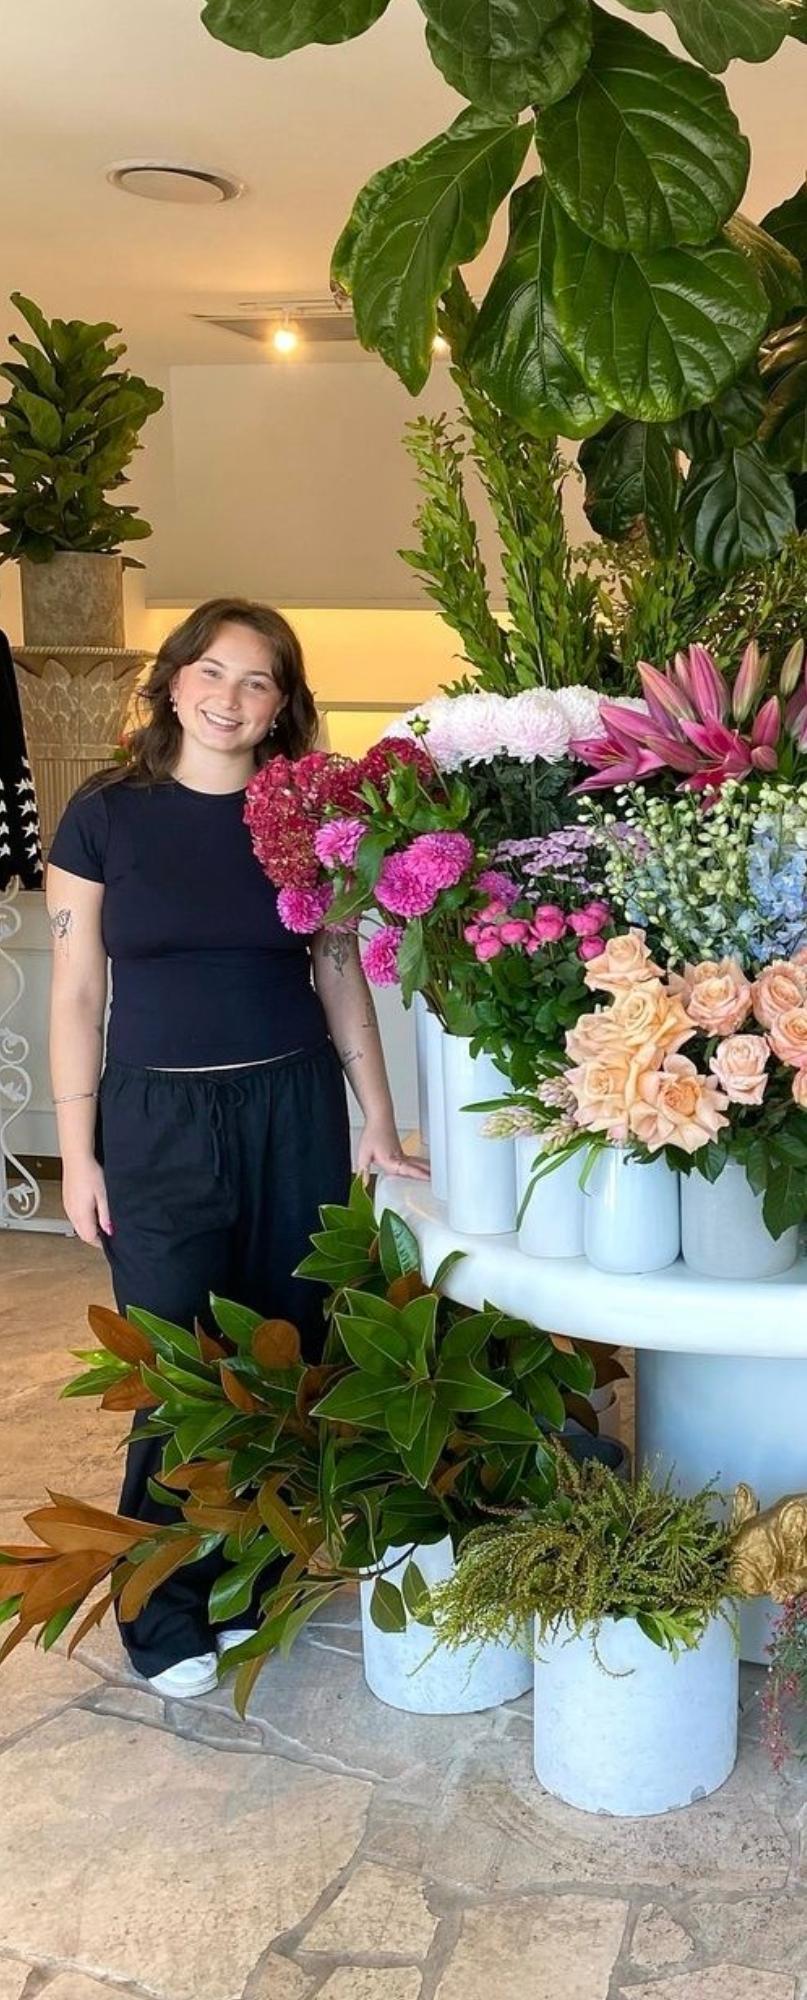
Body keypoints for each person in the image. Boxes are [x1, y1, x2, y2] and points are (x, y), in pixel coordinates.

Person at [46, 598, 427, 1700]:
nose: (228, 696)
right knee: (175, 1370)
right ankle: (162, 1611)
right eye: (210, 671)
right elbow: (75, 990)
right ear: (173, 682)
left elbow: (340, 968)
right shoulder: (105, 814)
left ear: (280, 707)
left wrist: (379, 1117)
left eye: (256, 680)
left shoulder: (302, 816)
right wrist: (81, 1151)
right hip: (156, 1119)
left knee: (281, 1354)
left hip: (292, 1107)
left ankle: (251, 1579)